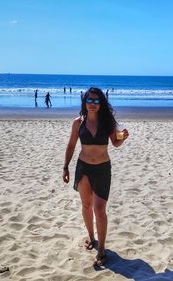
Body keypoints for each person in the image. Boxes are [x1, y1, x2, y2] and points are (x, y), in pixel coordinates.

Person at [62, 87, 129, 266]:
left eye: (96, 101)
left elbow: (115, 143)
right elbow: (70, 146)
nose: (92, 104)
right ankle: (92, 238)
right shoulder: (78, 122)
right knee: (86, 205)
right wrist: (65, 167)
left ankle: (102, 249)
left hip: (102, 169)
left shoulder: (107, 122)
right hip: (83, 168)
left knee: (99, 210)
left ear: (101, 103)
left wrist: (123, 138)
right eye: (89, 100)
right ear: (85, 102)